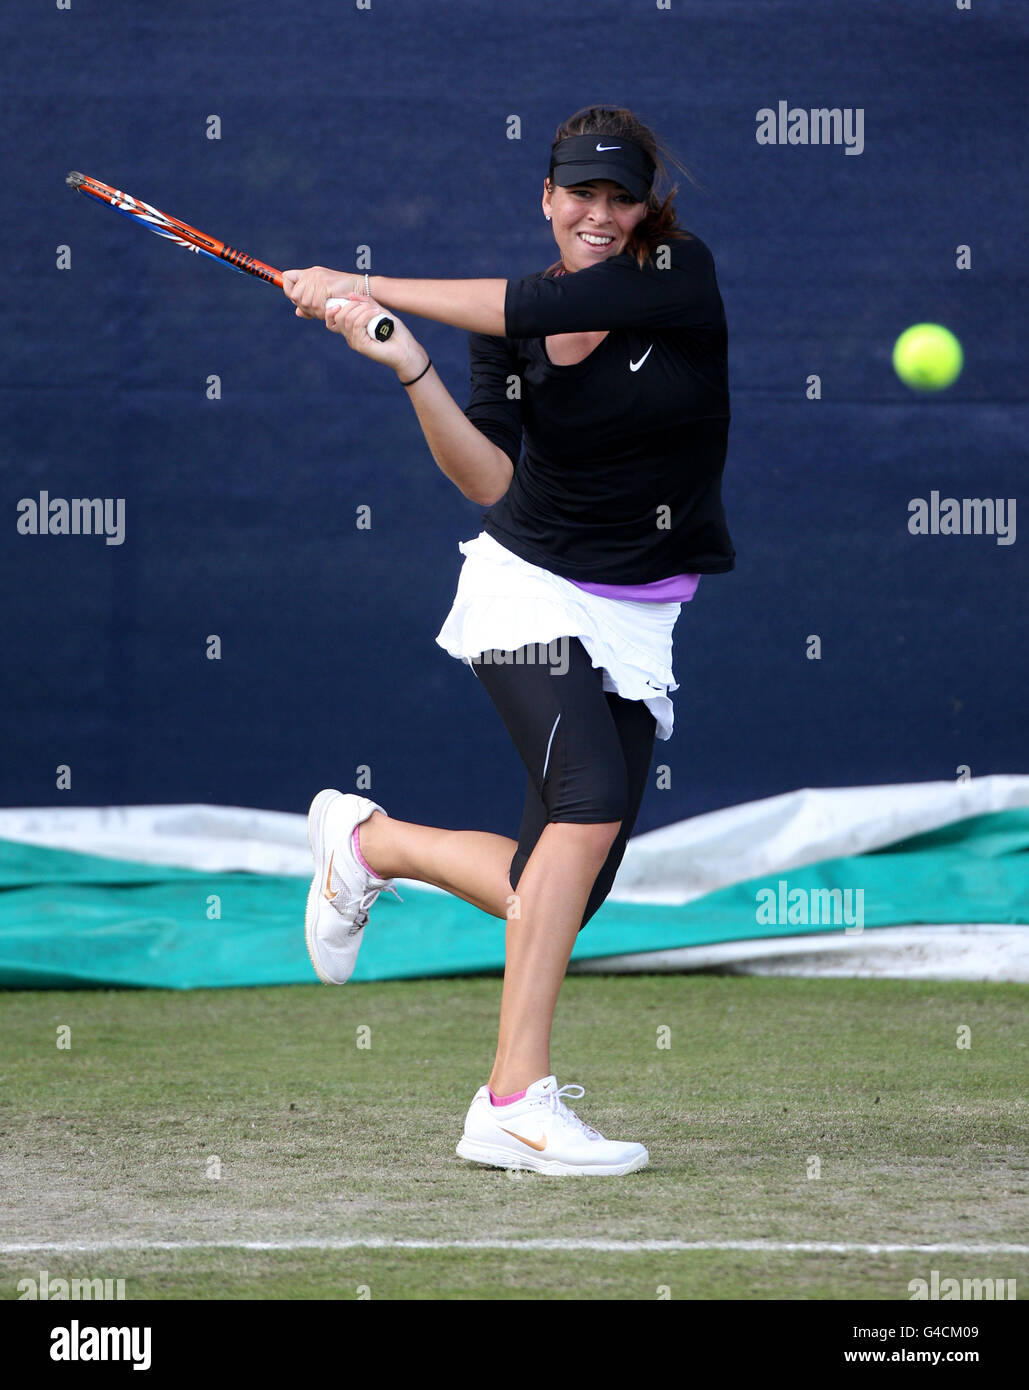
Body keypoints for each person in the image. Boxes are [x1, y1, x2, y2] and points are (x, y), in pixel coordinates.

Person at [284, 104, 733, 1176]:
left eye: (620, 196)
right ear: (546, 196)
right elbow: (492, 481)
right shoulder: (505, 327)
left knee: (571, 880)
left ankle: (368, 846)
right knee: (587, 802)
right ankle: (512, 1100)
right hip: (526, 585)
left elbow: (536, 298)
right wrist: (406, 362)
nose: (599, 213)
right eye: (579, 192)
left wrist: (369, 284)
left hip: (637, 607)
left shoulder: (675, 271)